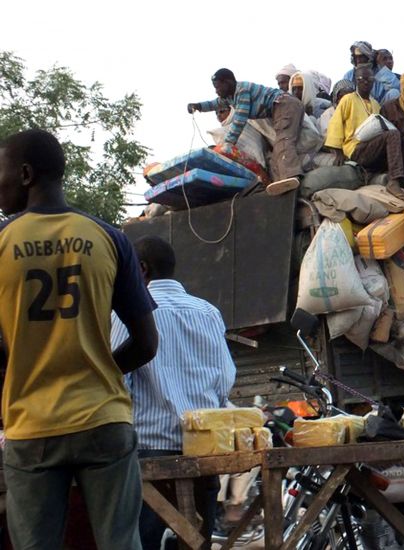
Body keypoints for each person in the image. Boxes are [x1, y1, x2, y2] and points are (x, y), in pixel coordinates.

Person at [0, 129, 158, 549]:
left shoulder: (2, 242)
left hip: (31, 425)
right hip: (102, 419)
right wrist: (100, 369)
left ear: (26, 174)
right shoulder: (109, 238)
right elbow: (146, 344)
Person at [111, 236, 236, 550]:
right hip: (204, 453)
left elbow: (115, 384)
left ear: (140, 269)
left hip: (151, 457)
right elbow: (226, 380)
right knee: (196, 543)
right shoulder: (208, 312)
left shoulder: (126, 314)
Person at [188, 68, 304, 192]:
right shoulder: (229, 97)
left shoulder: (242, 91)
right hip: (278, 108)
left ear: (228, 83)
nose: (216, 91)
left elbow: (239, 121)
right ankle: (281, 182)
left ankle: (291, 176)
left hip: (284, 104)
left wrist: (226, 146)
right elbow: (214, 104)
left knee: (283, 141)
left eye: (218, 87)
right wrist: (198, 106)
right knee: (276, 154)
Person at [326, 65, 404, 195]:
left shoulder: (375, 104)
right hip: (355, 148)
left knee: (400, 139)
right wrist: (338, 152)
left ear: (374, 81)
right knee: (392, 135)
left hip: (371, 147)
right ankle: (394, 181)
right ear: (356, 80)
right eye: (361, 78)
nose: (365, 81)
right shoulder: (348, 99)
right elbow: (336, 124)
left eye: (369, 78)